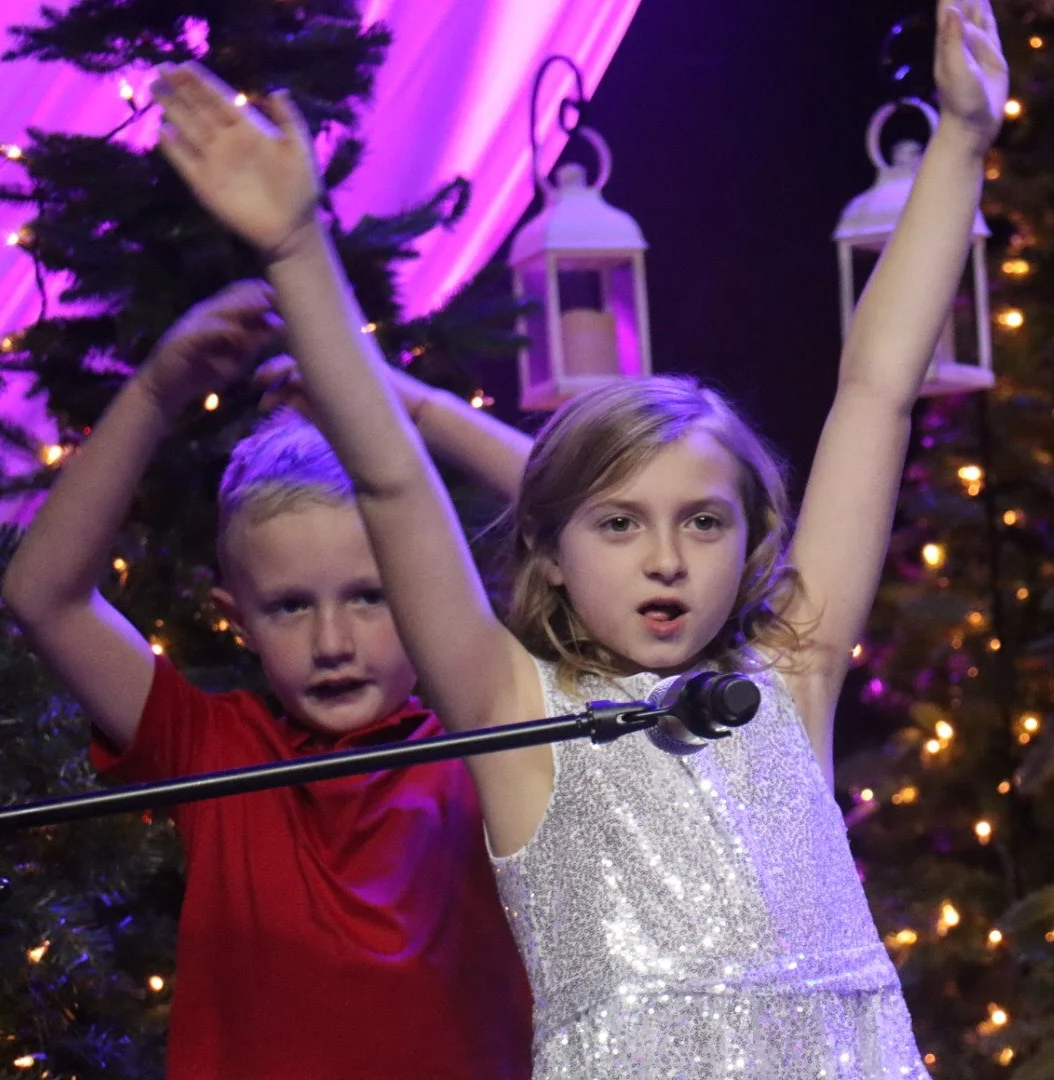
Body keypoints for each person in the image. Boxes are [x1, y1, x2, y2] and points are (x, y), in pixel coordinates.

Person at [149, 0, 1008, 1074]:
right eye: (619, 523)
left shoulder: (789, 671)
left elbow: (877, 388)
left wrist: (964, 140)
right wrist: (295, 247)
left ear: (750, 546)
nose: (666, 557)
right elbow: (390, 479)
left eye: (703, 522)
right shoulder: (514, 708)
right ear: (552, 550)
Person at [1, 282, 536, 1079]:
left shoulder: (494, 737)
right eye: (290, 606)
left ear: (426, 587)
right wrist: (155, 392)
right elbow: (41, 596)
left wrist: (416, 410)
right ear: (236, 620)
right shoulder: (215, 748)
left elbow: (599, 527)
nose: (331, 643)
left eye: (369, 596)